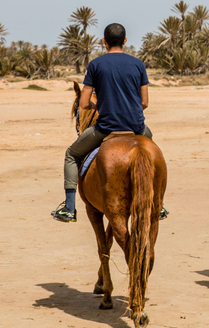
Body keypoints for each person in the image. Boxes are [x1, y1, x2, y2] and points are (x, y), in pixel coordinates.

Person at [51, 23, 166, 222]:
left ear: (104, 41)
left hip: (106, 128)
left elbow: (84, 103)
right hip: (136, 127)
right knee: (152, 152)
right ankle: (159, 204)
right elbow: (145, 103)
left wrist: (99, 105)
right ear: (125, 41)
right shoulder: (138, 64)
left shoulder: (96, 64)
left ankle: (69, 208)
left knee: (71, 154)